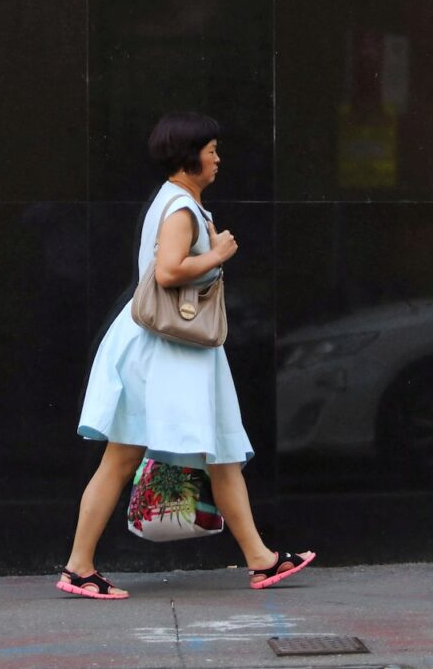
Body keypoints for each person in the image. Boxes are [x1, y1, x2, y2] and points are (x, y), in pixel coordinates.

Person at [58, 111, 315, 599]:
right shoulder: (180, 208)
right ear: (188, 155)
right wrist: (218, 255)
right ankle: (78, 567)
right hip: (166, 354)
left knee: (220, 455)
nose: (218, 158)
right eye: (211, 149)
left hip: (179, 352)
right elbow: (169, 272)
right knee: (124, 458)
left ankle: (261, 560)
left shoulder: (181, 203)